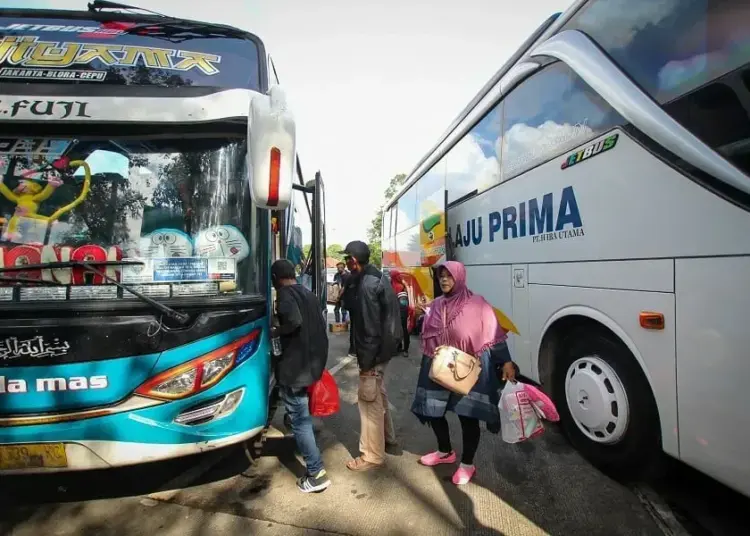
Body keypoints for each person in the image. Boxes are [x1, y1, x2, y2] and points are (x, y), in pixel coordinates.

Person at [411, 261, 516, 486]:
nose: (444, 280)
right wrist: (423, 316)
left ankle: (467, 464)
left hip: (467, 369)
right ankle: (445, 451)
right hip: (438, 366)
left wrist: (506, 361)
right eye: (441, 276)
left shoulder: (478, 304)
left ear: (460, 277)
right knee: (432, 411)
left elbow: (494, 335)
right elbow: (429, 332)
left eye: (449, 276)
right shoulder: (437, 304)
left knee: (467, 416)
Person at [339, 240, 402, 471]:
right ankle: (389, 439)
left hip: (374, 352)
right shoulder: (374, 277)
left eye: (347, 259)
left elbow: (369, 330)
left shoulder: (367, 285)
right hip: (384, 349)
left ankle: (372, 455)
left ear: (354, 261)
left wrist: (366, 364)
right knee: (379, 395)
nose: (345, 263)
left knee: (368, 402)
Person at [271, 259, 331, 493]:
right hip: (311, 366)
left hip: (294, 370)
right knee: (299, 413)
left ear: (276, 279)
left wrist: (277, 330)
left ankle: (316, 473)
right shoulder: (309, 294)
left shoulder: (284, 295)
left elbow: (293, 322)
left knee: (301, 421)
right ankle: (294, 423)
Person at [389, 269, 410, 357]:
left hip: (401, 312)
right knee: (397, 330)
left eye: (391, 276)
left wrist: (401, 315)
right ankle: (399, 347)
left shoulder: (400, 287)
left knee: (403, 329)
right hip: (394, 312)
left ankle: (405, 349)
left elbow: (403, 304)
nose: (390, 277)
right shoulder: (391, 285)